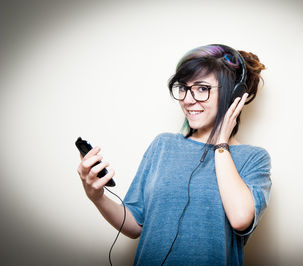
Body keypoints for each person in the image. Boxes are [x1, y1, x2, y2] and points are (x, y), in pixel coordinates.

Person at [77, 44, 272, 265]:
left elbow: (240, 219)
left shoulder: (255, 158)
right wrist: (97, 197)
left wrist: (221, 143)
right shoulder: (163, 146)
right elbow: (134, 225)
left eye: (202, 88)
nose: (187, 100)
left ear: (233, 95)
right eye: (183, 88)